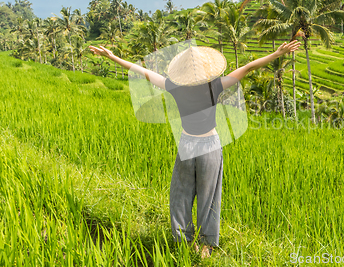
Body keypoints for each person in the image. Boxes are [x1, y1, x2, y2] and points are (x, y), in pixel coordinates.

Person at [89, 39, 301, 258]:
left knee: (180, 193)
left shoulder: (174, 87)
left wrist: (111, 56)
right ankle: (206, 245)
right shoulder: (215, 86)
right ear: (206, 71)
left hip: (186, 144)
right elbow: (248, 67)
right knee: (208, 196)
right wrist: (276, 54)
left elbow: (141, 71)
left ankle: (184, 240)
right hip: (210, 145)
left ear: (181, 73)